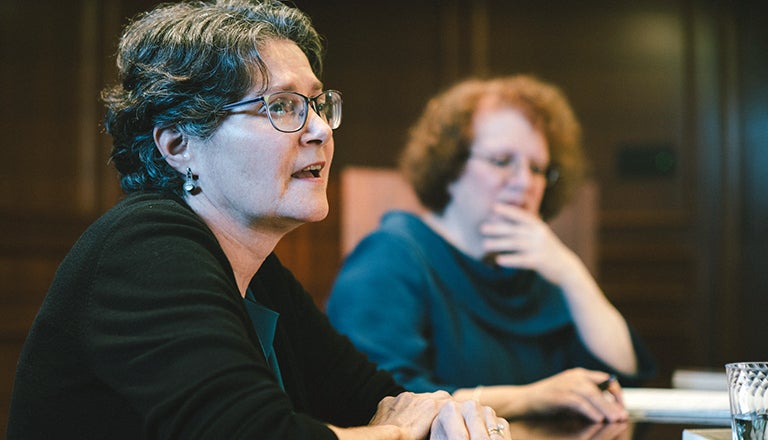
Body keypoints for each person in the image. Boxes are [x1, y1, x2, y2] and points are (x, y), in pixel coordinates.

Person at [6, 2, 511, 439]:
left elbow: (378, 397)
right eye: (281, 106)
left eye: (316, 104)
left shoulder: (259, 274)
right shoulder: (144, 246)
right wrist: (401, 431)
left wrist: (438, 413)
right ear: (179, 145)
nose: (318, 130)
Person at [327, 75, 657, 423]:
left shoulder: (536, 265)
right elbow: (385, 400)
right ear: (451, 167)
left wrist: (571, 272)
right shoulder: (391, 255)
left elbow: (622, 377)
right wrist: (530, 398)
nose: (525, 182)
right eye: (502, 161)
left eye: (538, 168)